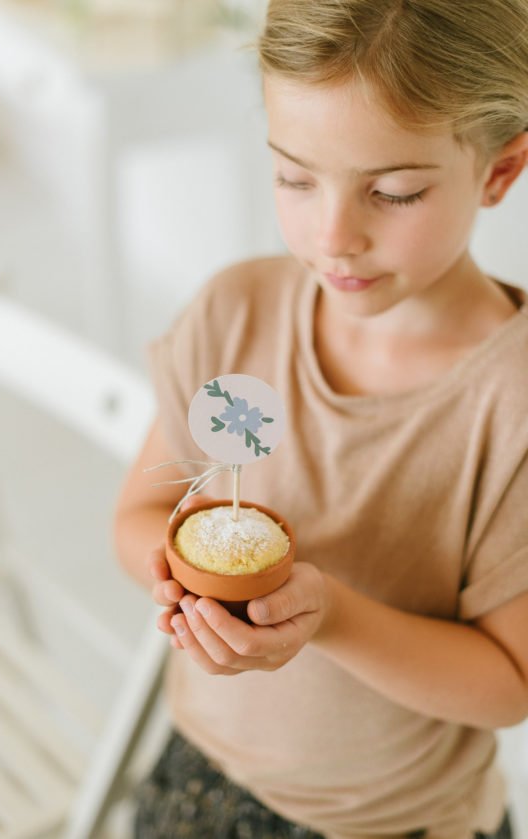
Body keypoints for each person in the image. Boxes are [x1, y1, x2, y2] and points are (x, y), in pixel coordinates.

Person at [114, 1, 528, 837]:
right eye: (295, 178)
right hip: (200, 767)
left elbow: (510, 679)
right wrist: (188, 581)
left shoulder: (510, 403)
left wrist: (329, 616)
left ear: (499, 171)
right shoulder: (238, 313)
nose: (333, 236)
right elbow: (139, 515)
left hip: (392, 821)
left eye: (395, 191)